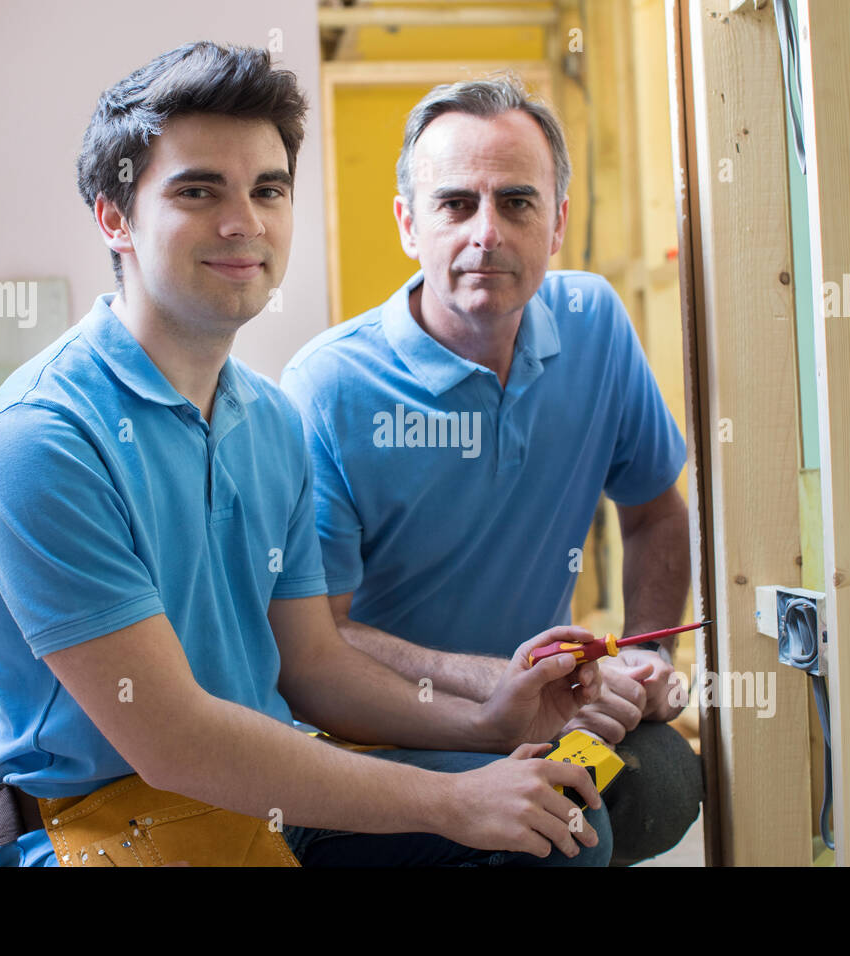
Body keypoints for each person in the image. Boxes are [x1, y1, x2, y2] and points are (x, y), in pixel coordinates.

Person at [0, 42, 614, 868]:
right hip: (103, 823)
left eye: (269, 190)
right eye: (199, 191)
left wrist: (489, 723)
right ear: (114, 217)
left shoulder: (269, 419)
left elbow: (313, 667)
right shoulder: (42, 438)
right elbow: (176, 742)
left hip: (262, 795)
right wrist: (452, 801)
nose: (245, 222)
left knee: (555, 833)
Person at [280, 75, 703, 865]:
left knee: (669, 778)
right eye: (455, 204)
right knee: (564, 834)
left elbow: (655, 512)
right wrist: (498, 690)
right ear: (408, 223)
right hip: (374, 741)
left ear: (558, 222)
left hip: (542, 721)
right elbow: (322, 637)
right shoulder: (327, 389)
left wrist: (648, 653)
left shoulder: (595, 324)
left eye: (517, 202)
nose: (488, 233)